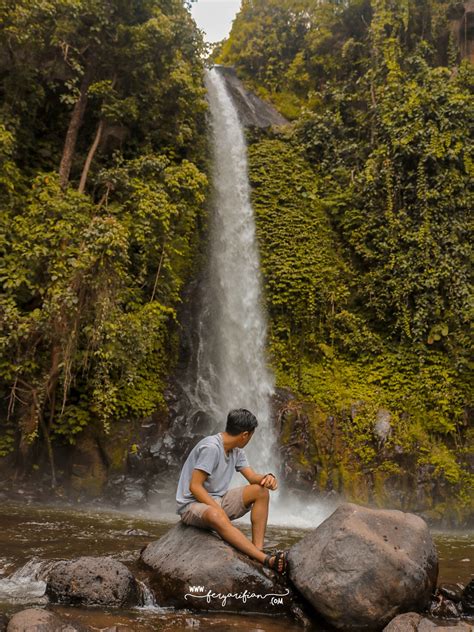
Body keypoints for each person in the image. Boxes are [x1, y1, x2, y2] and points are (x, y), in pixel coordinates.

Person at [176, 408, 288, 574]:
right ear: (244, 435)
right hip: (192, 506)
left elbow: (252, 478)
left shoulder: (236, 450)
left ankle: (257, 551)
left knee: (261, 491)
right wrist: (217, 508)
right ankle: (266, 560)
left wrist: (267, 478)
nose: (250, 439)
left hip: (218, 500)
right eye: (251, 435)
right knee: (216, 514)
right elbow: (195, 486)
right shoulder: (211, 448)